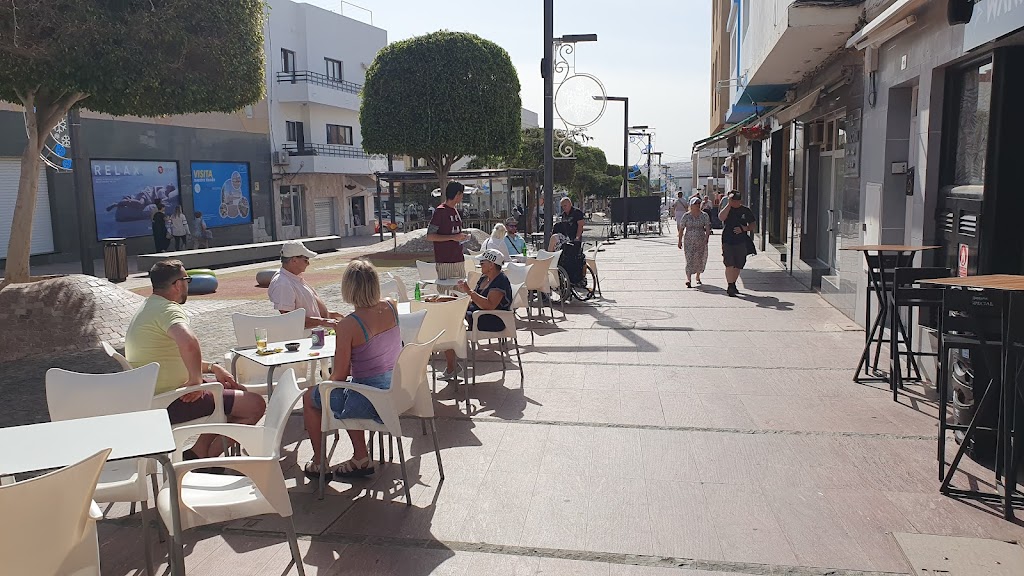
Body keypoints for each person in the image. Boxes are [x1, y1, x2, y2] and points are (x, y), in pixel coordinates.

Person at [125, 259, 266, 459]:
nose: (187, 285)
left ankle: (198, 452)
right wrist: (196, 380)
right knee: (255, 405)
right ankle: (209, 458)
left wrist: (212, 367)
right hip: (170, 400)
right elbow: (189, 343)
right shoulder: (168, 310)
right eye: (187, 280)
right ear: (177, 284)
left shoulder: (149, 307)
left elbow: (171, 356)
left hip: (154, 395)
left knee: (229, 391)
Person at [302, 260, 401, 478]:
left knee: (311, 396)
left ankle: (320, 462)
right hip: (396, 392)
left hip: (369, 399)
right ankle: (360, 455)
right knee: (348, 389)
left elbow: (339, 375)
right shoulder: (391, 305)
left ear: (348, 288)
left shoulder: (349, 325)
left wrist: (324, 380)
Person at [426, 182, 471, 380]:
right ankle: (450, 358)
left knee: (459, 302)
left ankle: (457, 346)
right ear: (457, 194)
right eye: (461, 194)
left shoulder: (455, 212)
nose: (462, 198)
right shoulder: (440, 211)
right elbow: (430, 236)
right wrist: (453, 238)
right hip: (445, 262)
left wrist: (460, 238)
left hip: (458, 260)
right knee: (445, 306)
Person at [268, 240, 342, 330]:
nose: (308, 263)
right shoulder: (282, 283)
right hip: (306, 338)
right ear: (294, 260)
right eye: (305, 260)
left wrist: (330, 315)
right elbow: (290, 319)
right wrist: (323, 321)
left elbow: (308, 309)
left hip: (315, 333)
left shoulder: (293, 278)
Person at [454, 248, 513, 335]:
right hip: (478, 313)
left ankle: (453, 346)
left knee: (455, 318)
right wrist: (458, 300)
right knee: (452, 311)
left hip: (493, 319)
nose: (480, 265)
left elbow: (489, 305)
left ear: (491, 265)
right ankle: (453, 345)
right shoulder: (484, 277)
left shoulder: (500, 281)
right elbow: (475, 300)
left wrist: (469, 291)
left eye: (482, 263)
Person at [718, 191, 756, 297]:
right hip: (727, 240)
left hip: (741, 241)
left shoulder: (745, 210)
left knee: (738, 264)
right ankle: (730, 285)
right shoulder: (728, 209)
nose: (734, 202)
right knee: (729, 263)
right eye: (732, 200)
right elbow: (721, 217)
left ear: (740, 201)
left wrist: (744, 228)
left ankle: (733, 283)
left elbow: (753, 224)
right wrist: (728, 205)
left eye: (735, 201)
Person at [679, 196, 712, 288]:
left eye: (699, 203)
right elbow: (681, 228)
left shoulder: (704, 215)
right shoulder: (686, 216)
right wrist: (679, 241)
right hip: (689, 240)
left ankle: (698, 276)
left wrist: (707, 237)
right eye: (695, 203)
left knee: (699, 258)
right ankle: (688, 279)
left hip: (700, 240)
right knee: (689, 258)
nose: (697, 205)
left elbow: (708, 227)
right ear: (691, 205)